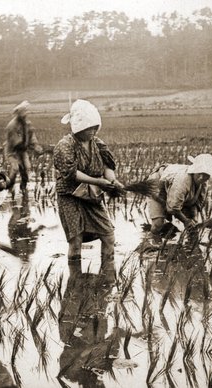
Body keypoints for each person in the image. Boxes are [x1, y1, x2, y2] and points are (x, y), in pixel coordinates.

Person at [53, 99, 123, 272]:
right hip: (70, 195)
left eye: (95, 127)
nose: (93, 131)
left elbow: (108, 165)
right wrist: (98, 182)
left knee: (108, 235)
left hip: (91, 195)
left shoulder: (98, 144)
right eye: (89, 128)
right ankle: (76, 282)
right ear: (79, 128)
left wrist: (112, 181)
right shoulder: (65, 146)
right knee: (75, 241)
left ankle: (106, 277)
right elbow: (70, 173)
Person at [144, 153, 212, 249]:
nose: (201, 178)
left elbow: (198, 203)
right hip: (157, 185)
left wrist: (192, 220)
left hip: (173, 189)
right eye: (200, 174)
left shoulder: (203, 183)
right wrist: (186, 221)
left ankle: (192, 246)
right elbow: (172, 208)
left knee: (192, 223)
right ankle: (151, 241)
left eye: (206, 175)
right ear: (194, 171)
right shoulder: (182, 180)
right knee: (158, 223)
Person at [4, 100, 43, 194]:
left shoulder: (27, 123)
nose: (26, 113)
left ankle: (23, 188)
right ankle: (8, 187)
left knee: (26, 168)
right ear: (19, 113)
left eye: (26, 111)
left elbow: (31, 135)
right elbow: (15, 141)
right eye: (23, 112)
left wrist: (35, 145)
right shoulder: (12, 126)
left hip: (22, 151)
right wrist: (30, 146)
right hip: (12, 152)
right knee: (16, 168)